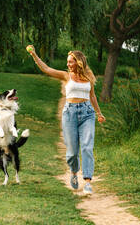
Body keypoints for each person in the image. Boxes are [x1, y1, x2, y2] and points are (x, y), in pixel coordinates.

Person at [26, 45, 105, 195]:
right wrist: (34, 55)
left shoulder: (88, 77)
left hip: (87, 113)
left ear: (79, 62)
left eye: (70, 62)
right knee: (72, 151)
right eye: (68, 62)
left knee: (87, 147)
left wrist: (99, 113)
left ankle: (88, 182)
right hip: (70, 114)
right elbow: (47, 69)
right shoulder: (66, 76)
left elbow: (92, 96)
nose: (68, 64)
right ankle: (74, 172)